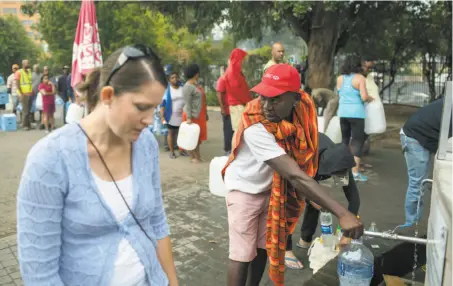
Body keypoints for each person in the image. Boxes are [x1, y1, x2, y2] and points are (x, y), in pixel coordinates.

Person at [17, 44, 179, 286]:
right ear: (107, 96)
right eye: (142, 107)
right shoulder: (50, 159)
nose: (149, 120)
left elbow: (157, 221)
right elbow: (39, 273)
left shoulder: (146, 145)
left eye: (155, 108)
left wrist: (172, 282)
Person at [222, 64, 364, 286]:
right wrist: (342, 212)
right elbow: (295, 175)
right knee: (241, 254)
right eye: (263, 97)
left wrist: (317, 199)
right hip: (244, 192)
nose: (267, 105)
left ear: (295, 99)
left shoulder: (301, 114)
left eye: (275, 99)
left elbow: (303, 159)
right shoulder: (255, 125)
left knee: (261, 248)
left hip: (268, 190)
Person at [285, 132, 360, 269]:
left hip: (319, 157)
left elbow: (354, 198)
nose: (340, 179)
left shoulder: (342, 160)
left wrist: (347, 233)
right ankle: (286, 249)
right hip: (291, 160)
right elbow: (296, 185)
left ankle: (305, 239)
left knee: (321, 203)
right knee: (289, 204)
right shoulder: (308, 159)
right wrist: (313, 199)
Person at [399, 97, 452, 228]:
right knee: (418, 182)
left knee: (431, 180)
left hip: (428, 136)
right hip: (415, 137)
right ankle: (411, 225)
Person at [337, 55, 374, 182]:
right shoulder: (360, 78)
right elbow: (364, 97)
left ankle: (342, 173)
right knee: (357, 142)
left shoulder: (340, 78)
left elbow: (339, 93)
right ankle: (355, 173)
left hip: (343, 113)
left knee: (345, 141)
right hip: (357, 114)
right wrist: (370, 98)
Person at [220, 48, 252, 131]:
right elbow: (237, 91)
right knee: (240, 131)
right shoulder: (233, 72)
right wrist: (248, 102)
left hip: (239, 104)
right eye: (243, 59)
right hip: (238, 105)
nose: (245, 61)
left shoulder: (235, 71)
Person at [182, 64, 208, 163]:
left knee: (197, 138)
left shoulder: (195, 85)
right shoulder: (187, 87)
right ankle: (192, 157)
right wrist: (188, 118)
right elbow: (187, 103)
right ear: (196, 73)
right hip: (191, 115)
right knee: (190, 137)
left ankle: (198, 156)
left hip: (198, 115)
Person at [160, 71, 187, 159]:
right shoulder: (167, 90)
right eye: (172, 77)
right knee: (171, 133)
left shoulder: (182, 88)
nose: (175, 79)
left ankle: (182, 150)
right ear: (169, 80)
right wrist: (162, 116)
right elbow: (162, 104)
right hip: (171, 116)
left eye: (176, 77)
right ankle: (171, 152)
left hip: (182, 116)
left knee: (181, 133)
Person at [216, 66, 233, 155]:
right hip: (227, 110)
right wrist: (222, 108)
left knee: (235, 131)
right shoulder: (222, 79)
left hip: (235, 110)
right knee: (228, 131)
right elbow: (219, 94)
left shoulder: (233, 78)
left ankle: (233, 149)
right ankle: (227, 150)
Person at [15, 59, 33, 130]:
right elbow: (17, 84)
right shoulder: (19, 72)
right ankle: (25, 125)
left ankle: (28, 125)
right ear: (23, 64)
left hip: (30, 93)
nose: (29, 64)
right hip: (23, 94)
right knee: (25, 111)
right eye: (27, 63)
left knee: (28, 110)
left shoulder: (29, 71)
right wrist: (21, 94)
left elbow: (30, 82)